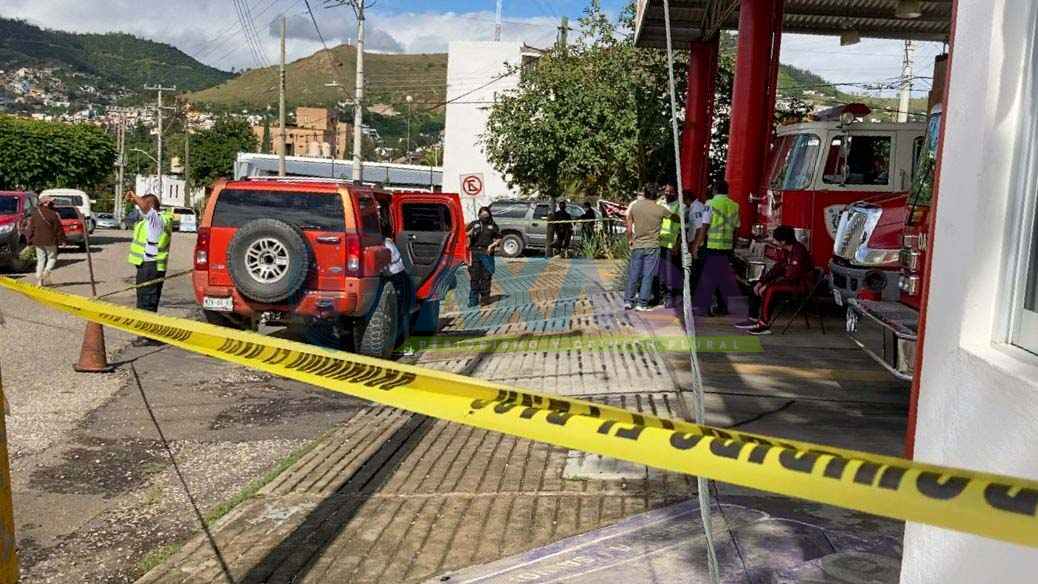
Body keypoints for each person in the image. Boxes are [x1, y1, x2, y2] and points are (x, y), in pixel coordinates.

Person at [736, 225, 814, 335]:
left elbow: (791, 276)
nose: (773, 241)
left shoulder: (798, 251)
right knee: (754, 284)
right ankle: (753, 318)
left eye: (775, 239)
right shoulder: (786, 251)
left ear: (783, 241)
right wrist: (762, 282)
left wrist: (768, 285)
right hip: (789, 283)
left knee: (770, 290)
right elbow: (777, 269)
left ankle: (763, 324)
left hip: (800, 285)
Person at [125, 190, 173, 346]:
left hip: (152, 265)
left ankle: (147, 335)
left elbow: (147, 211)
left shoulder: (161, 220)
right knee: (143, 299)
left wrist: (135, 197)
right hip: (144, 264)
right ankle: (144, 333)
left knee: (148, 301)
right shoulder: (148, 220)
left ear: (151, 206)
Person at [691, 181, 743, 316]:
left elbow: (705, 226)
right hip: (727, 248)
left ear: (714, 190)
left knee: (708, 278)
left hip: (712, 247)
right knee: (723, 278)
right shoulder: (735, 206)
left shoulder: (710, 204)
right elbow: (737, 228)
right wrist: (733, 244)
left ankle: (704, 308)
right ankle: (723, 307)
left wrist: (697, 245)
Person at [624, 184, 676, 311]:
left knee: (634, 274)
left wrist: (630, 240)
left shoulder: (635, 206)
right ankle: (642, 303)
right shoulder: (660, 209)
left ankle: (628, 301)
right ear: (657, 195)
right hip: (653, 246)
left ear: (645, 193)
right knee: (648, 275)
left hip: (637, 244)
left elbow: (629, 226)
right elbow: (675, 217)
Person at [381, 213, 414, 347]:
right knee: (400, 312)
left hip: (397, 278)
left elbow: (387, 267)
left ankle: (404, 344)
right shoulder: (387, 242)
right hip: (398, 277)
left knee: (400, 312)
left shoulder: (385, 244)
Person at [25, 195, 65, 286]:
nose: (53, 203)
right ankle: (46, 272)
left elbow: (30, 229)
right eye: (51, 201)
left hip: (38, 241)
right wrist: (62, 240)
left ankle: (39, 281)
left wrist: (29, 241)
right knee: (52, 258)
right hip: (50, 240)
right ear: (46, 203)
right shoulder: (53, 214)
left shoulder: (35, 214)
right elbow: (58, 229)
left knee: (40, 260)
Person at [467, 206, 502, 307]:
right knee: (474, 277)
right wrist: (471, 232)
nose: (484, 217)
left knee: (486, 277)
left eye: (486, 215)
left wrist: (492, 245)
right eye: (482, 215)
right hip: (474, 252)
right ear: (479, 215)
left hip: (487, 253)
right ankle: (473, 300)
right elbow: (464, 235)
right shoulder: (474, 224)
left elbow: (499, 238)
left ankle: (485, 299)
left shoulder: (493, 226)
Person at [656, 184, 682, 308]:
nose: (667, 194)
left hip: (672, 243)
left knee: (670, 271)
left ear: (675, 193)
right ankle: (662, 296)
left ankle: (671, 296)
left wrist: (677, 245)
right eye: (666, 191)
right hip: (659, 241)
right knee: (661, 271)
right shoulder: (659, 203)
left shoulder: (679, 205)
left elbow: (681, 224)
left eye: (670, 192)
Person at [683, 189, 709, 292]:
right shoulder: (692, 207)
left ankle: (695, 295)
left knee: (697, 271)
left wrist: (695, 246)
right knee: (694, 270)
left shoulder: (696, 208)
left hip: (699, 244)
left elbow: (699, 228)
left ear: (687, 199)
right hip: (696, 242)